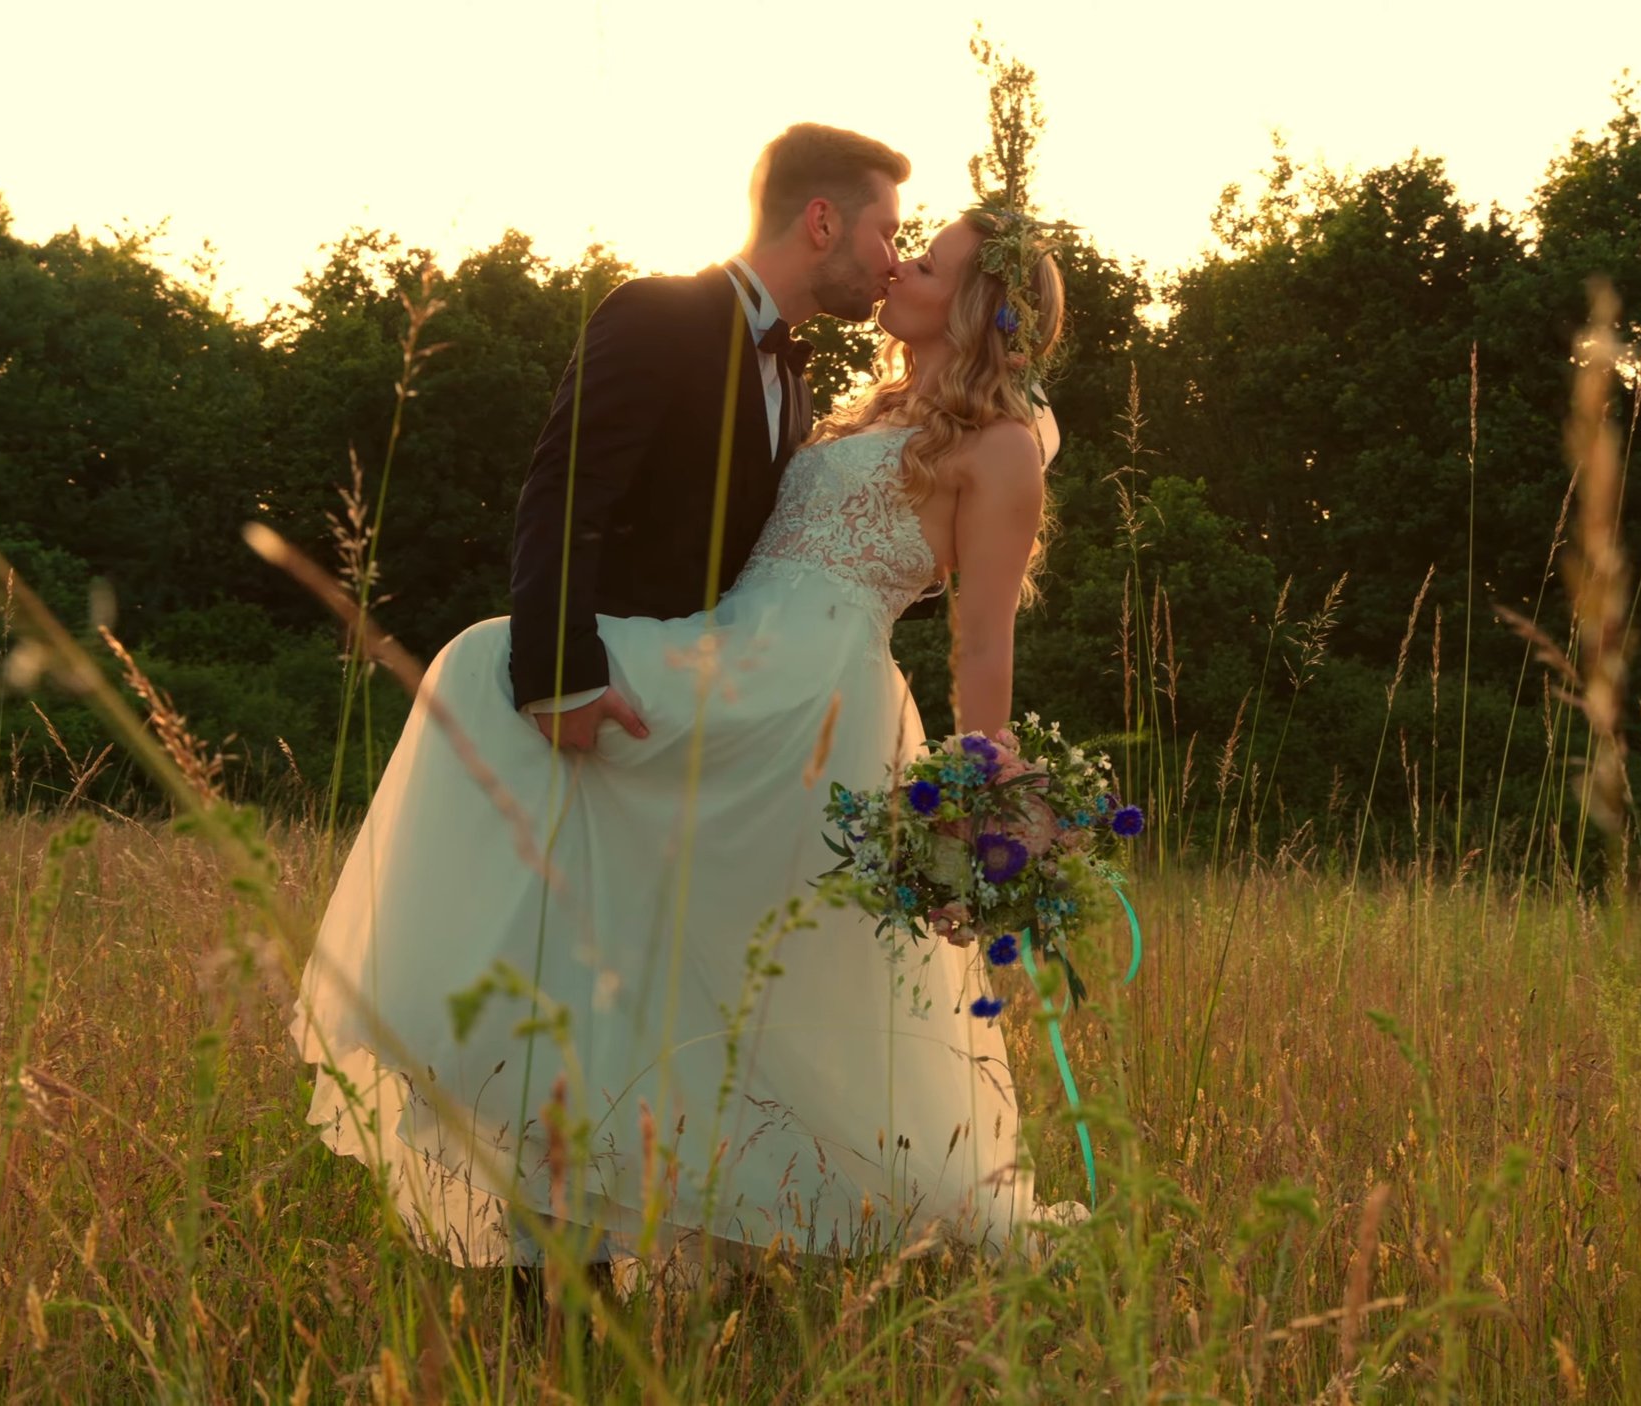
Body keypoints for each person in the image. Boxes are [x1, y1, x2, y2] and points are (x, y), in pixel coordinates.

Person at [288, 123, 1075, 1288]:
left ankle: (624, 1179)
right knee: (672, 938)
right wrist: (568, 665)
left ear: (976, 306)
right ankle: (557, 1157)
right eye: (896, 240)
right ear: (825, 223)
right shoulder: (844, 395)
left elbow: (982, 636)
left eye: (928, 260)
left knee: (485, 680)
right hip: (726, 652)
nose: (900, 263)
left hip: (811, 694)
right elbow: (601, 492)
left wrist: (979, 785)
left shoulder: (1002, 446)